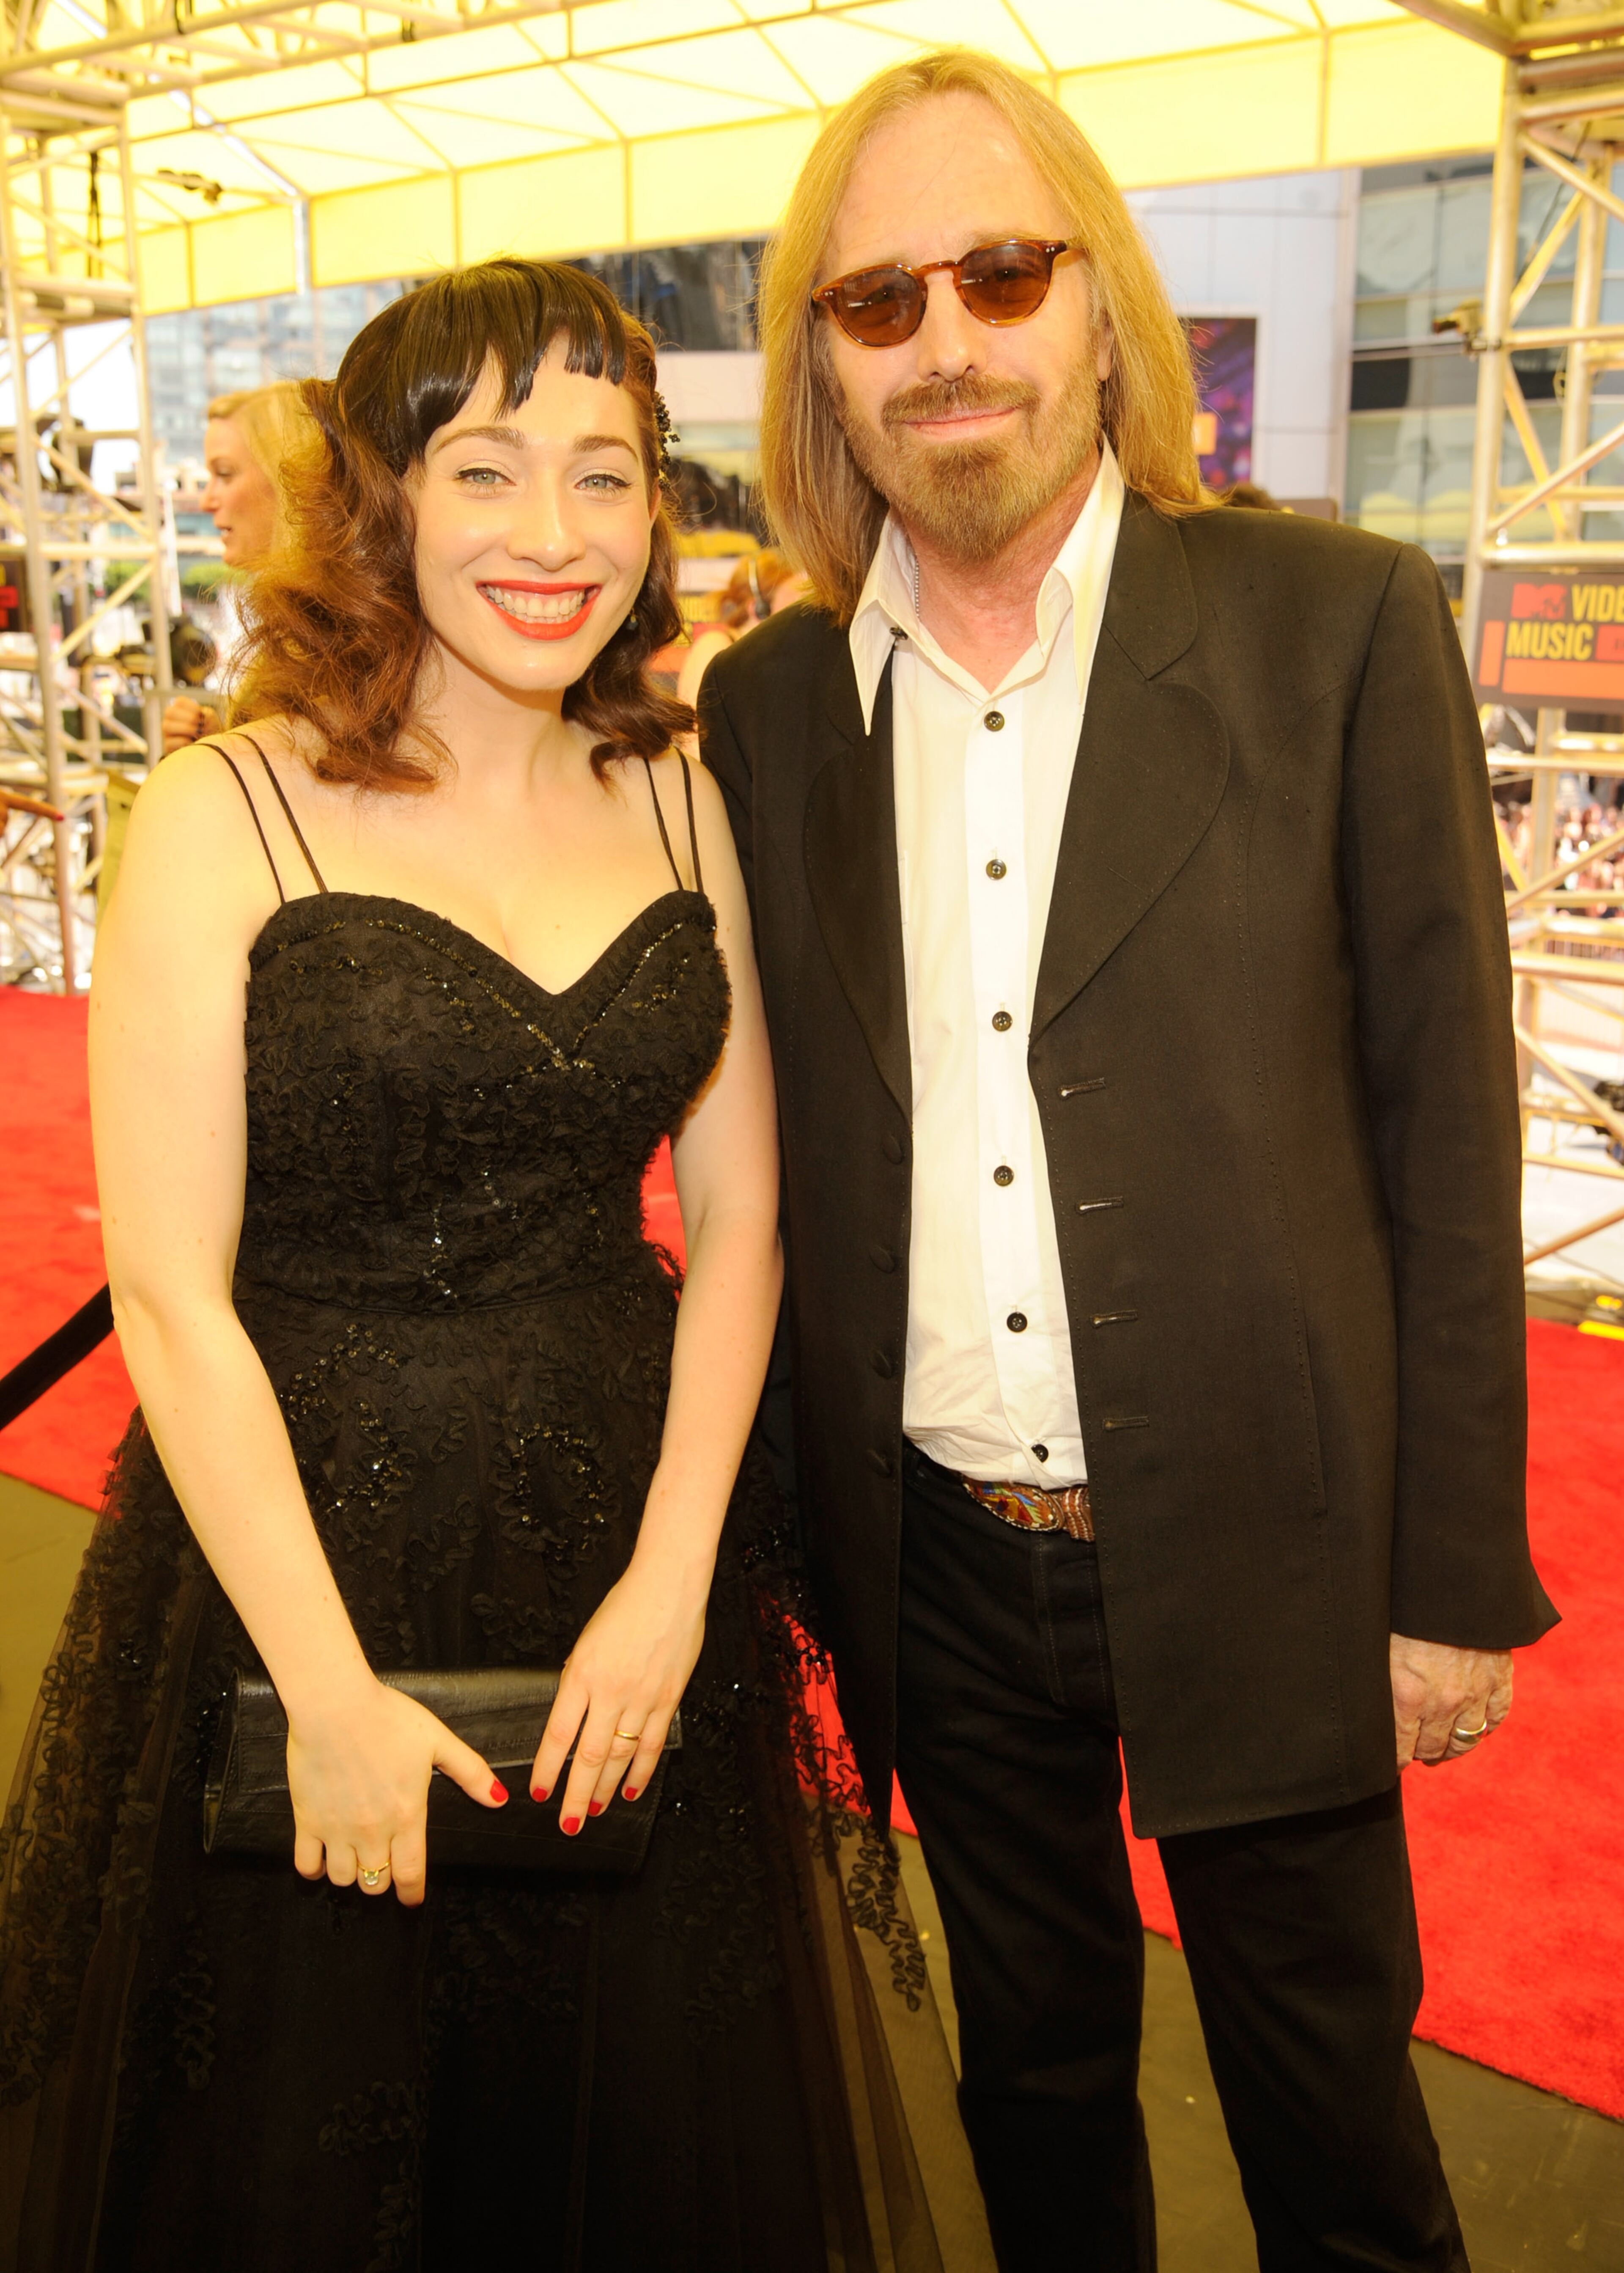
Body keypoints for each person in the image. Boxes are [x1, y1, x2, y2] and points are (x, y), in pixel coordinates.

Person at [0, 260, 981, 2271]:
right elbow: (175, 1291)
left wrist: (672, 1581)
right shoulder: (221, 802)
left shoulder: (679, 792)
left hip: (628, 1552)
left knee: (632, 2138)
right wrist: (324, 1681)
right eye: (488, 466)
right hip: (298, 1555)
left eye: (603, 473)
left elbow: (743, 1226)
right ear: (387, 496)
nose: (553, 533)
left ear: (656, 507)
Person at [700, 47, 1558, 2273]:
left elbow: (1448, 1132)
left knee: (1333, 2123)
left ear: (1102, 308)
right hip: (937, 1566)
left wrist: (1451, 1568)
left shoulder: (1337, 623)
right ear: (825, 367)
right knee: (1037, 2086)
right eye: (880, 303)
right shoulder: (774, 708)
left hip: (1268, 1533)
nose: (950, 339)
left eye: (1000, 269)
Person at [162, 382, 314, 753]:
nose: (206, 500)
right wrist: (220, 746)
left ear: (292, 477)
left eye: (226, 474)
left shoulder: (326, 643)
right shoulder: (296, 628)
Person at [676, 547, 812, 713]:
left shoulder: (773, 659)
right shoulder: (714, 646)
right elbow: (696, 736)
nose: (805, 613)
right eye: (795, 604)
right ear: (759, 609)